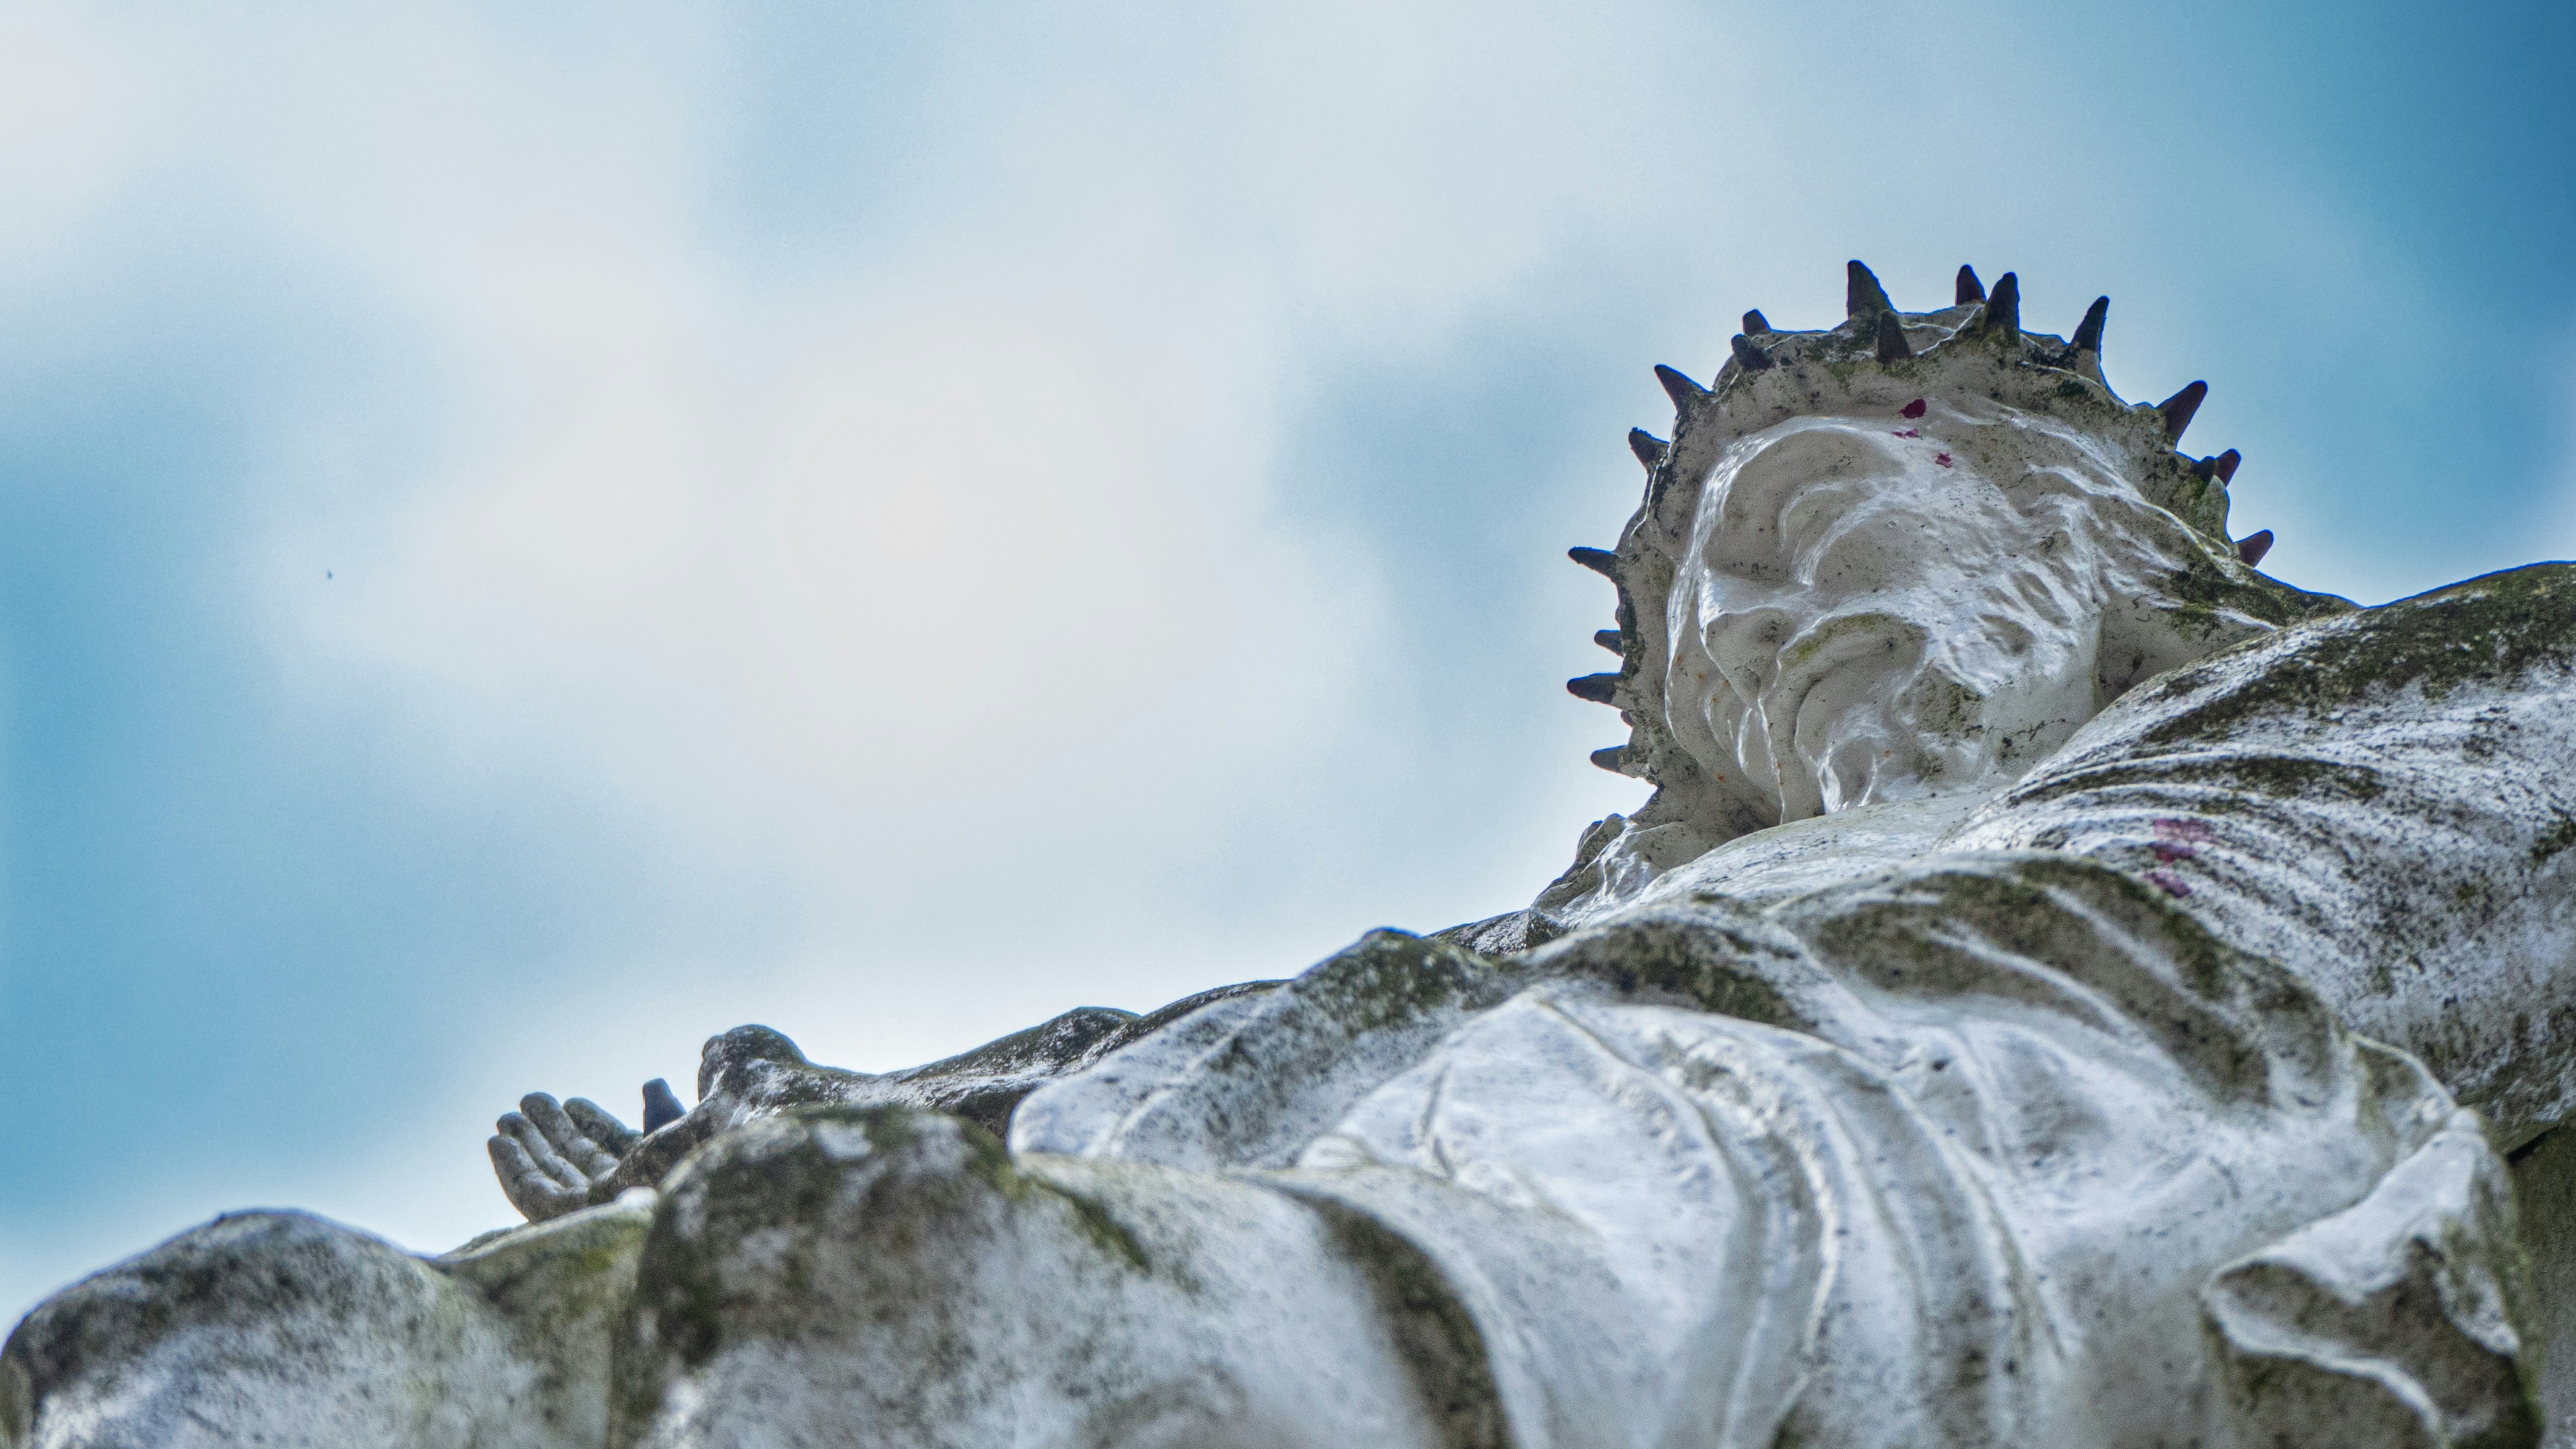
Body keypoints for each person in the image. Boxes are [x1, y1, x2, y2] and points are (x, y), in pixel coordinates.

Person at [11, 262, 2571, 1449]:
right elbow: (1193, 1054)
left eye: (1811, 519)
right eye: (1702, 637)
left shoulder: (2437, 695)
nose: (1760, 615)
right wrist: (820, 1107)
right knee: (250, 1321)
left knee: (925, 1318)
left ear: (2122, 543)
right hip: (1399, 1134)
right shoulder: (1548, 946)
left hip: (1922, 1148)